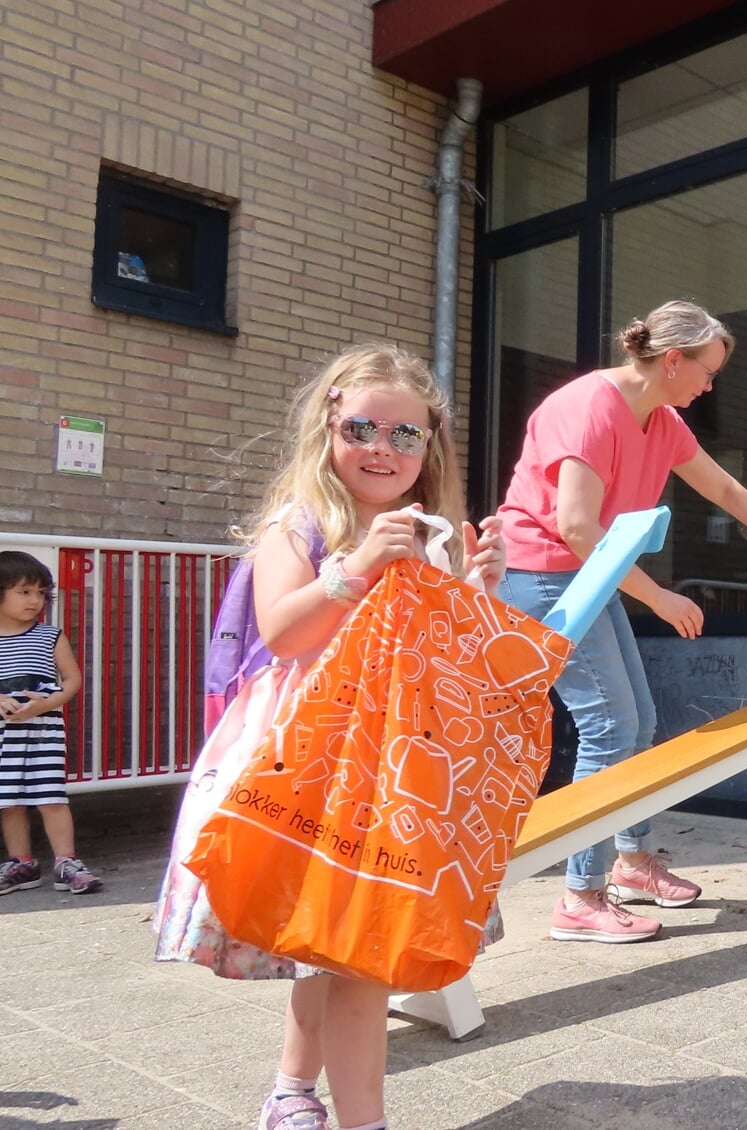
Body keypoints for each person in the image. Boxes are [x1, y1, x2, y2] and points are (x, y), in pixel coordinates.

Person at [152, 343, 505, 1130]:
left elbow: (450, 655)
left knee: (341, 943)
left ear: (431, 444)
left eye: (404, 435)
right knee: (350, 949)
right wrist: (352, 570)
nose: (382, 449)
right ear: (328, 427)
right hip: (307, 763)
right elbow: (280, 632)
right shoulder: (300, 520)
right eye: (362, 428)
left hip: (396, 767)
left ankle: (289, 1091)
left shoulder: (434, 532)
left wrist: (480, 589)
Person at [497, 300, 747, 944]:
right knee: (610, 725)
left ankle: (631, 863)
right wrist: (659, 597)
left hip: (592, 571)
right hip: (544, 575)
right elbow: (575, 526)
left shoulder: (662, 420)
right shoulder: (589, 409)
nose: (710, 385)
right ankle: (580, 897)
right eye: (708, 371)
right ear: (673, 360)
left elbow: (724, 489)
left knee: (638, 720)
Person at [0, 551, 99, 897]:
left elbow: (72, 680)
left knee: (50, 796)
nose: (35, 600)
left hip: (41, 732)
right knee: (8, 800)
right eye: (25, 591)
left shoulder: (49, 636)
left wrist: (46, 704)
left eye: (41, 592)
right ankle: (21, 863)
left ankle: (67, 862)